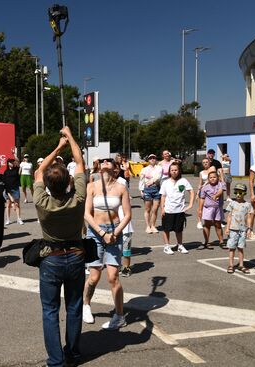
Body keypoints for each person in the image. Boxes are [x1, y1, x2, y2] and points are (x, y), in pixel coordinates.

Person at [34, 126, 86, 367]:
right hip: (75, 256)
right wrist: (70, 138)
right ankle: (73, 353)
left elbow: (40, 169)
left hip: (51, 258)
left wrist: (58, 147)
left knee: (50, 311)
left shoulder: (42, 202)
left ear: (47, 185)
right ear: (68, 182)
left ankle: (55, 361)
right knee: (74, 307)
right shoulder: (78, 199)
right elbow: (80, 162)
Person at [83, 157, 131, 330]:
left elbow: (127, 215)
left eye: (109, 161)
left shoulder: (121, 188)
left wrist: (114, 233)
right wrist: (102, 233)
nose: (104, 162)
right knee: (94, 276)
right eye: (102, 161)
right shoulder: (92, 186)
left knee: (113, 277)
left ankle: (119, 316)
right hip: (95, 232)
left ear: (115, 168)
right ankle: (86, 305)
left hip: (114, 233)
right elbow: (87, 214)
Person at [160, 162, 194, 255]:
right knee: (166, 229)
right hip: (168, 210)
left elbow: (191, 191)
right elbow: (163, 196)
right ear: (169, 171)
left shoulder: (183, 181)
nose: (174, 172)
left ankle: (180, 245)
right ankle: (167, 246)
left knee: (179, 229)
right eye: (172, 170)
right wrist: (162, 208)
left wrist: (190, 204)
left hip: (180, 210)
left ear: (179, 171)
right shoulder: (165, 182)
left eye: (176, 170)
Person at [224, 184, 253, 274]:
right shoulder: (232, 203)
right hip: (233, 229)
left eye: (240, 192)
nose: (238, 194)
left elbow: (249, 217)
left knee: (240, 248)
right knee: (232, 248)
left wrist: (249, 229)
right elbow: (229, 216)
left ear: (244, 193)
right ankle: (231, 265)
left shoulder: (247, 205)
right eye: (236, 192)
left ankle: (241, 265)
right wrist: (227, 228)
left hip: (243, 230)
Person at [198, 171, 225, 249]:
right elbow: (202, 199)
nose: (212, 179)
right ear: (208, 179)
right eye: (210, 177)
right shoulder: (205, 187)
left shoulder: (221, 184)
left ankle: (221, 241)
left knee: (218, 224)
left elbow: (221, 190)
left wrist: (216, 195)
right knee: (207, 225)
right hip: (208, 208)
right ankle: (206, 242)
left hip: (218, 208)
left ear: (217, 178)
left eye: (214, 177)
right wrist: (200, 209)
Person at [139, 154, 162, 233]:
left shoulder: (159, 168)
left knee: (155, 209)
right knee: (147, 209)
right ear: (148, 160)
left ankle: (153, 225)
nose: (152, 159)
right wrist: (141, 190)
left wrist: (152, 181)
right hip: (147, 190)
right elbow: (141, 180)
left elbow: (158, 177)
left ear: (156, 159)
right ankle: (148, 226)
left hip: (156, 189)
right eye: (150, 158)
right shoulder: (144, 169)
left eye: (154, 158)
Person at [3, 158, 23, 225]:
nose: (11, 163)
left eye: (12, 162)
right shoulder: (6, 172)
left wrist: (14, 154)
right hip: (8, 190)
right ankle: (8, 219)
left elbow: (18, 162)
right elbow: (4, 182)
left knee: (17, 205)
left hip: (15, 189)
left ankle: (19, 219)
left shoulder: (16, 169)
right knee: (8, 205)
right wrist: (7, 191)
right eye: (10, 162)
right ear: (8, 163)